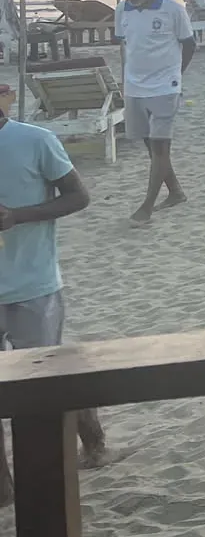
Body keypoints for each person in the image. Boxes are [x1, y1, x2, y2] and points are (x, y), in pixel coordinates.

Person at [0, 81, 108, 500]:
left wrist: (18, 216)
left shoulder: (35, 140)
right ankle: (5, 490)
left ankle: (94, 445)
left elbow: (78, 196)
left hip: (33, 283)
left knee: (46, 383)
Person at [114, 0, 195, 226]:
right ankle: (176, 192)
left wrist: (176, 75)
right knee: (150, 145)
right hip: (135, 86)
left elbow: (189, 44)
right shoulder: (121, 10)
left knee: (161, 146)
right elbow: (124, 45)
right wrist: (124, 79)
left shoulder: (173, 10)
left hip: (165, 86)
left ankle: (146, 207)